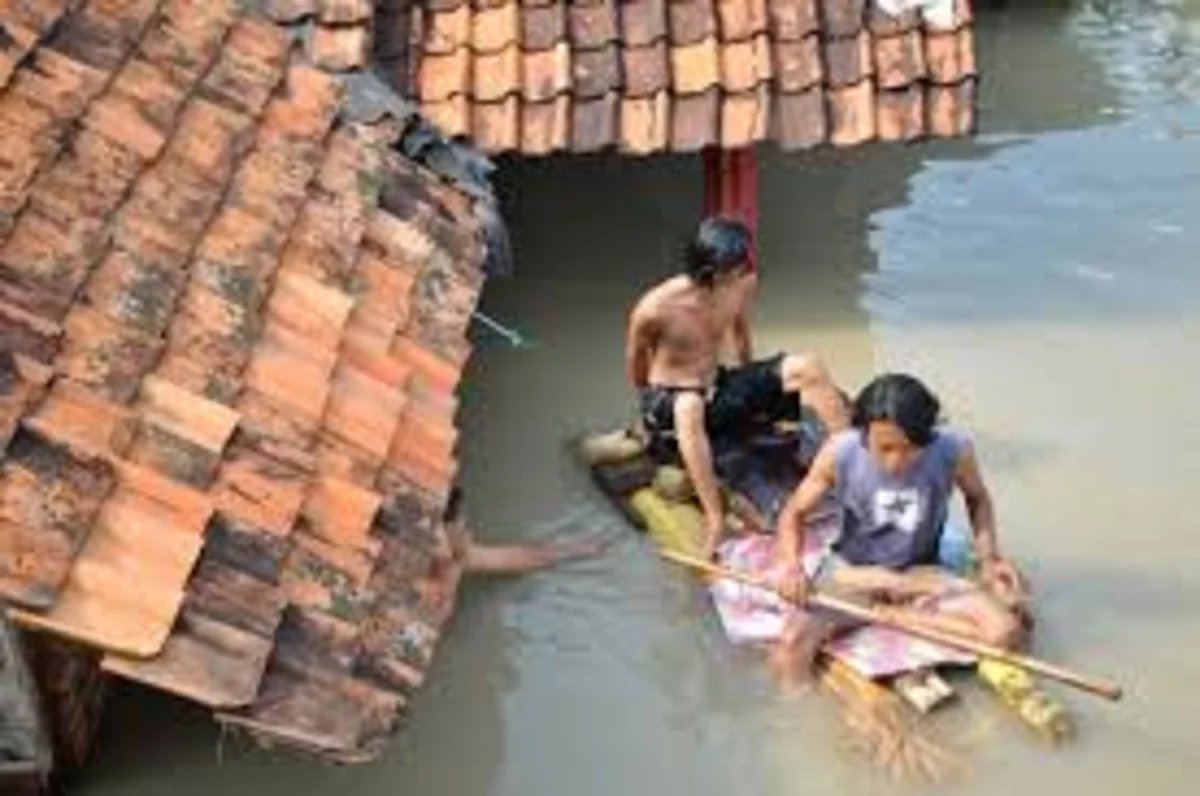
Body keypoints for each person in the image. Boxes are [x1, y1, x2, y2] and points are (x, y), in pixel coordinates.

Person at [625, 216, 850, 562]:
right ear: (714, 273)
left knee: (808, 366)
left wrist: (754, 394)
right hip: (671, 400)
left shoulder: (742, 284)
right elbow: (636, 368)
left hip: (717, 386)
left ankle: (849, 463)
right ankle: (715, 518)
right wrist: (650, 417)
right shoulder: (655, 309)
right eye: (738, 265)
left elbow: (741, 334)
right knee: (689, 407)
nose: (747, 270)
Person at [772, 373, 1029, 674]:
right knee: (792, 645)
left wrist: (989, 559)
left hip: (919, 572)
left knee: (1006, 631)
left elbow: (978, 499)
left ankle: (888, 614)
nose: (895, 462)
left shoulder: (953, 449)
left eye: (909, 448)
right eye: (884, 448)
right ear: (863, 432)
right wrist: (792, 566)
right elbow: (793, 514)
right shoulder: (839, 452)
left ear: (928, 436)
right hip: (853, 572)